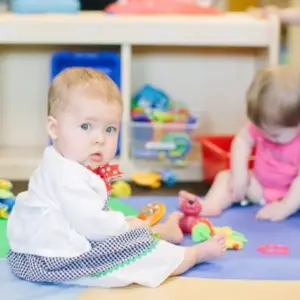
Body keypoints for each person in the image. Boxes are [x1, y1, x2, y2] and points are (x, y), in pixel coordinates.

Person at [7, 67, 226, 288]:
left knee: (126, 230)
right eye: (86, 126)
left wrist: (122, 224)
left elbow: (89, 216)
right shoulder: (66, 176)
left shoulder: (62, 162)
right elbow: (92, 224)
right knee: (140, 255)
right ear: (54, 128)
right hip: (56, 260)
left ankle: (165, 232)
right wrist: (125, 226)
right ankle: (191, 255)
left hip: (37, 251)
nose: (99, 138)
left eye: (110, 129)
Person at [180, 65, 300, 222]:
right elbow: (242, 141)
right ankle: (211, 204)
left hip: (292, 195)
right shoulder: (265, 124)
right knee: (225, 177)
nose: (267, 136)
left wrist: (286, 206)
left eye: (275, 134)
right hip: (259, 188)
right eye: (262, 129)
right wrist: (239, 174)